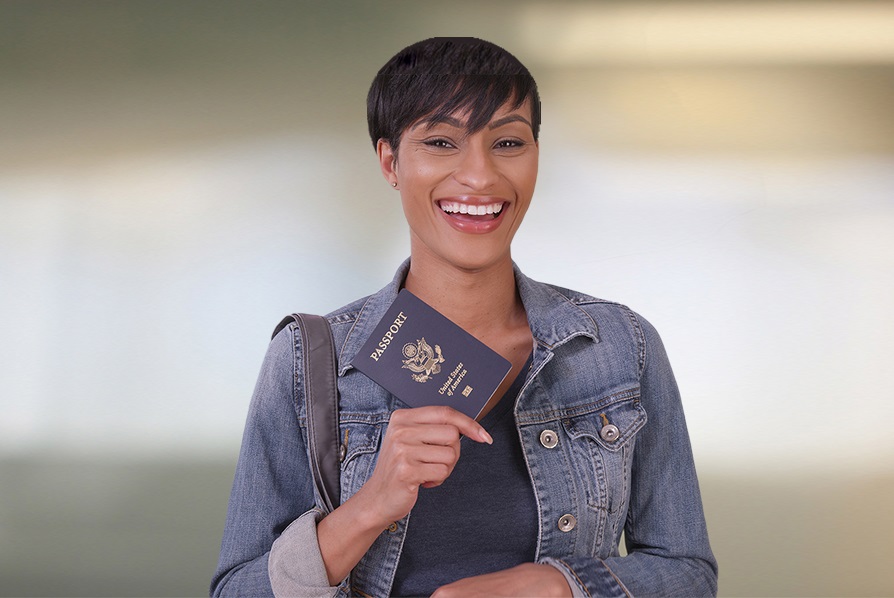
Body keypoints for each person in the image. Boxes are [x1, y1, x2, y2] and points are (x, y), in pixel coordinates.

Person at [211, 37, 717, 597]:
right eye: (441, 142)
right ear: (390, 162)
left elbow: (688, 573)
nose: (479, 176)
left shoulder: (619, 346)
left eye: (507, 142)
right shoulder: (311, 361)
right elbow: (236, 591)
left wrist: (553, 586)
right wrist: (370, 507)